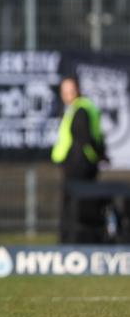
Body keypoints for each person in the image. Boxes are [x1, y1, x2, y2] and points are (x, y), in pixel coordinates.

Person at [52, 76, 108, 243]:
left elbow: (84, 138)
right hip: (82, 163)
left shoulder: (80, 109)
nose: (67, 94)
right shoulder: (80, 108)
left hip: (79, 165)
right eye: (64, 91)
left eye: (70, 90)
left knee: (77, 205)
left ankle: (74, 241)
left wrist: (96, 155)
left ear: (77, 90)